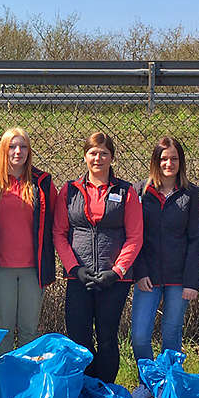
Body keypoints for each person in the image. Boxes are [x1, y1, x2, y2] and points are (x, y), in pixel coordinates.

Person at [53, 132, 142, 384]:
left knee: (107, 337)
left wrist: (117, 271)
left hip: (113, 279)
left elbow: (135, 236)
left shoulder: (126, 192)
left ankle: (105, 390)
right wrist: (74, 268)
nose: (98, 158)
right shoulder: (69, 190)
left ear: (112, 157)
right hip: (79, 277)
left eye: (104, 153)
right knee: (78, 337)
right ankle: (85, 386)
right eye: (93, 153)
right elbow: (59, 233)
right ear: (85, 156)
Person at [129, 136, 199, 398]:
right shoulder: (140, 191)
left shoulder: (191, 194)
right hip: (147, 276)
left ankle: (170, 388)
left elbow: (197, 240)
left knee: (171, 334)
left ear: (181, 161)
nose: (169, 163)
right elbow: (133, 235)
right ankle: (149, 383)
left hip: (178, 278)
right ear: (155, 162)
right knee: (139, 335)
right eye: (163, 158)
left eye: (174, 158)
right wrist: (139, 271)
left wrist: (191, 281)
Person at [0, 127, 55, 355]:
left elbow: (56, 220)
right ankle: (3, 382)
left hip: (33, 269)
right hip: (1, 269)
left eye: (23, 146)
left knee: (29, 330)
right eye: (12, 146)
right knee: (3, 329)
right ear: (3, 150)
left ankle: (27, 383)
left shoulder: (42, 182)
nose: (18, 151)